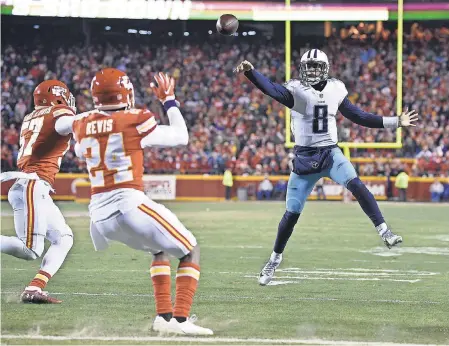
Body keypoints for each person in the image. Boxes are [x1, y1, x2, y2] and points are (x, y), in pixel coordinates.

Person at [234, 49, 419, 285]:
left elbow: (358, 115)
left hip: (330, 153)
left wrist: (395, 122)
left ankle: (385, 231)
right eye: (307, 67)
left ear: (325, 68)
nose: (311, 71)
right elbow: (271, 89)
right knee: (291, 214)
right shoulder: (295, 90)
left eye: (315, 66)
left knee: (357, 185)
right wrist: (252, 74)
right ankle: (274, 260)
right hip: (304, 158)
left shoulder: (335, 89)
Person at [71, 69, 212, 335]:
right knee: (190, 249)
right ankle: (180, 321)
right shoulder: (136, 118)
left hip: (99, 216)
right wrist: (169, 100)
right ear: (126, 93)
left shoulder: (81, 124)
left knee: (159, 249)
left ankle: (163, 317)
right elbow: (181, 136)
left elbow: (80, 146)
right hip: (128, 202)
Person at [0, 80, 76, 303]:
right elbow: (65, 124)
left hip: (33, 185)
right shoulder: (59, 114)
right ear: (58, 97)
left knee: (64, 238)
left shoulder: (32, 116)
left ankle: (35, 287)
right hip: (32, 185)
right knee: (30, 249)